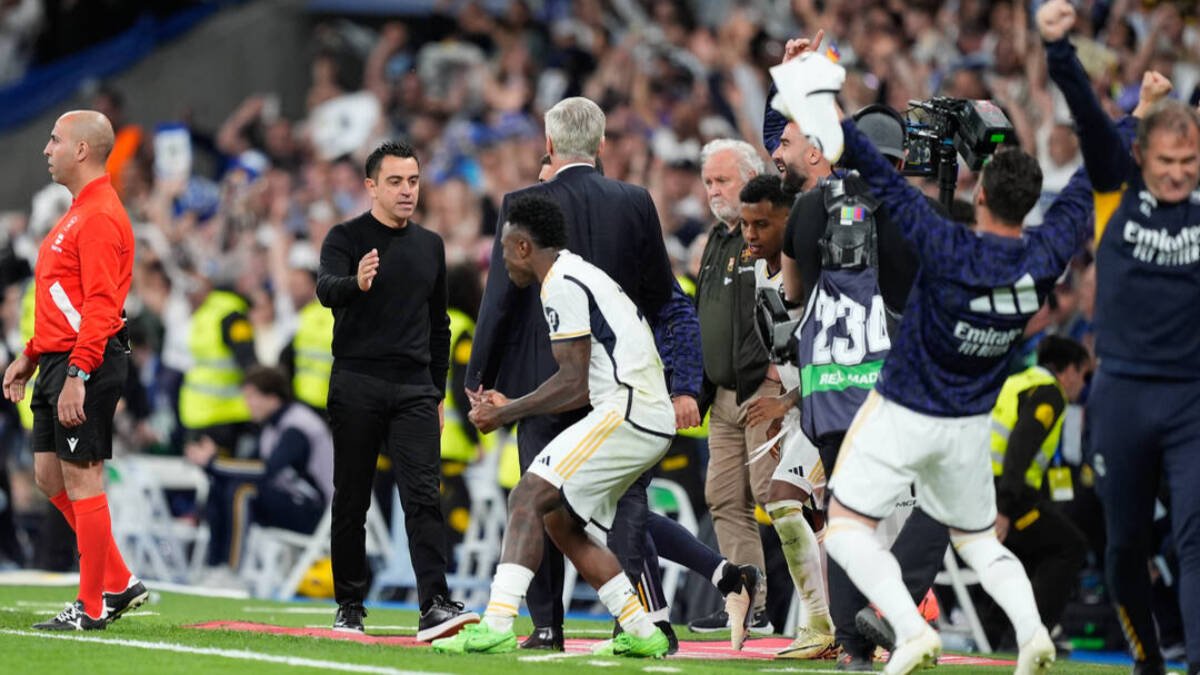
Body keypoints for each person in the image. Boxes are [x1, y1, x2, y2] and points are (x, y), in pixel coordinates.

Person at [813, 96, 1093, 673]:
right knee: (980, 541)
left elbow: (875, 172)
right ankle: (1033, 631)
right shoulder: (1046, 254)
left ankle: (911, 629)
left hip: (905, 409)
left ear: (981, 195)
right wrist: (1134, 116)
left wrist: (820, 97)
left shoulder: (945, 243)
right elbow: (1085, 191)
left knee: (843, 530)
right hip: (969, 424)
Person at [467, 97, 677, 650]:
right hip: (637, 403)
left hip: (626, 408)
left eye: (505, 255)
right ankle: (640, 629)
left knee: (527, 495)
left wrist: (498, 405)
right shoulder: (586, 254)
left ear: (521, 245)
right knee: (559, 517)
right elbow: (664, 301)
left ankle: (496, 626)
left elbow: (572, 382)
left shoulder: (559, 283)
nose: (502, 265)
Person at [1039, 1, 1200, 671]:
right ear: (1142, 154)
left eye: (1190, 161)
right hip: (1122, 396)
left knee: (1195, 543)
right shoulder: (1114, 189)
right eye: (1166, 160)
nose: (1178, 173)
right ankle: (1147, 659)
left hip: (1191, 400)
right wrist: (1058, 48)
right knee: (1123, 547)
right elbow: (1083, 107)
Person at [769, 83, 950, 668]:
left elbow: (791, 295)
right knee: (949, 492)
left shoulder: (806, 208)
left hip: (825, 385)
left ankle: (850, 645)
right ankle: (891, 601)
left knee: (846, 515)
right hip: (891, 386)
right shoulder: (919, 212)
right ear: (900, 160)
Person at [316, 140, 477, 641]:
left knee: (424, 497)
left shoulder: (430, 245)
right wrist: (355, 285)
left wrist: (436, 394)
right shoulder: (345, 237)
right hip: (357, 380)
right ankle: (349, 604)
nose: (407, 191)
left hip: (413, 388)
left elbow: (439, 326)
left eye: (412, 181)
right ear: (371, 187)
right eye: (395, 182)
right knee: (352, 499)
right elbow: (325, 288)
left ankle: (433, 602)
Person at [3, 110, 146, 630]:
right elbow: (66, 300)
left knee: (83, 480)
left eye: (56, 140)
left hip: (86, 361)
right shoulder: (77, 212)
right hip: (58, 359)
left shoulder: (100, 215)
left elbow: (103, 307)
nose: (46, 149)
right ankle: (121, 580)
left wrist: (79, 375)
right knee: (48, 476)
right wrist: (32, 354)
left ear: (82, 150)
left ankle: (91, 606)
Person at [737, 174, 835, 658]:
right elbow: (788, 352)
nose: (751, 235)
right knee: (799, 511)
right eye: (745, 224)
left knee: (794, 504)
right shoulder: (761, 272)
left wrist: (787, 405)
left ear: (789, 223)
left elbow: (837, 355)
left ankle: (835, 625)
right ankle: (828, 627)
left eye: (762, 224)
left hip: (840, 404)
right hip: (808, 408)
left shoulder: (815, 275)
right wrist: (787, 409)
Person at [691, 138, 776, 635]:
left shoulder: (768, 233)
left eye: (723, 179)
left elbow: (789, 303)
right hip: (722, 395)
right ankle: (750, 606)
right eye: (709, 182)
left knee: (777, 497)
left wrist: (774, 371)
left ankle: (824, 605)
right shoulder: (718, 239)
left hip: (762, 390)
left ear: (750, 176)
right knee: (725, 499)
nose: (713, 190)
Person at [985, 335, 1090, 649]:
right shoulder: (1050, 394)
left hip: (981, 485)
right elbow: (1020, 446)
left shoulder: (1017, 381)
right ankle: (1034, 637)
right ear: (1067, 371)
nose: (1082, 385)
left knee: (1029, 550)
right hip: (1007, 492)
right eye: (1083, 375)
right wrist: (1003, 509)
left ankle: (994, 634)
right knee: (1070, 546)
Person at [184, 366, 333, 576]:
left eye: (252, 397)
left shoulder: (298, 425)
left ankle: (231, 572)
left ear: (272, 398)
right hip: (291, 500)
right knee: (220, 485)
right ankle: (213, 567)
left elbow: (267, 469)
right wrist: (214, 461)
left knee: (242, 491)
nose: (247, 404)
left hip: (314, 510)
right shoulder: (272, 425)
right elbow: (248, 465)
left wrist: (213, 463)